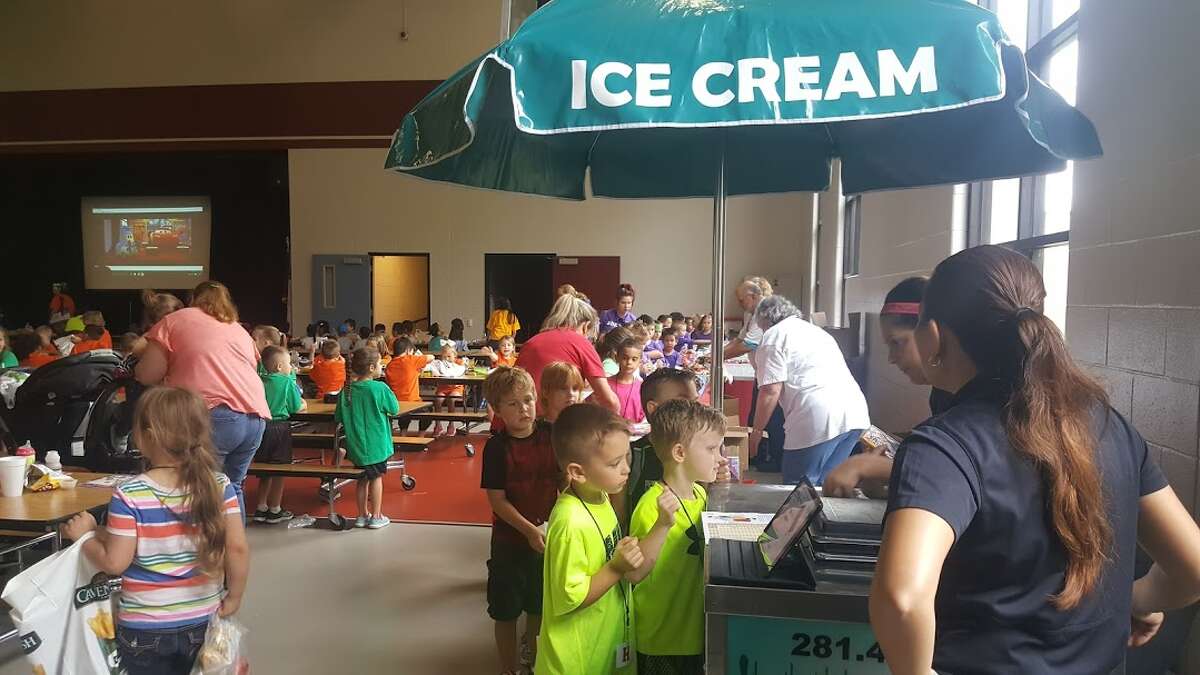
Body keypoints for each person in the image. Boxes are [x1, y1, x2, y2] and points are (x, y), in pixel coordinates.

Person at [869, 245, 1200, 675]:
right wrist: (1140, 599)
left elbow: (901, 597)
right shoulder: (1107, 424)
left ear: (932, 336)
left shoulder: (945, 444)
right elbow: (1191, 566)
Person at [60, 386, 249, 675]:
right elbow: (236, 548)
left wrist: (86, 535)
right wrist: (234, 595)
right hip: (203, 619)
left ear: (148, 436)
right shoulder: (219, 485)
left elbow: (114, 562)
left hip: (145, 628)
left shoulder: (130, 493)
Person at [135, 280, 272, 514]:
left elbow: (148, 374)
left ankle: (203, 549)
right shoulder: (237, 328)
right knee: (232, 487)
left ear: (193, 300)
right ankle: (234, 549)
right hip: (255, 417)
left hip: (216, 413)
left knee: (203, 488)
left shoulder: (175, 321)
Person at [535, 404, 647, 675]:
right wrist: (616, 567)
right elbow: (570, 596)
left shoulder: (600, 495)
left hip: (603, 644)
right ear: (578, 472)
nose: (626, 470)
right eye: (614, 463)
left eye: (626, 458)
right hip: (576, 660)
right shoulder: (570, 522)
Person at [825, 277, 950, 497]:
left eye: (897, 343)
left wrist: (867, 466)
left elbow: (955, 471)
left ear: (931, 333)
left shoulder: (979, 404)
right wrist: (881, 487)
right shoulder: (941, 394)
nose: (892, 358)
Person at [631, 399, 726, 674]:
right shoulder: (652, 506)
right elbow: (636, 572)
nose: (719, 457)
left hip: (692, 631)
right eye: (711, 449)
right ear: (680, 453)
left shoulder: (699, 494)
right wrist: (662, 525)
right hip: (662, 638)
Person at [480, 367, 560, 675]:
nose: (523, 408)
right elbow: (497, 500)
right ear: (497, 409)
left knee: (538, 603)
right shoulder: (497, 448)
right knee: (505, 609)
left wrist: (550, 525)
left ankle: (532, 654)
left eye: (528, 400)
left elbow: (563, 481)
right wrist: (529, 530)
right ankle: (507, 667)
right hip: (510, 542)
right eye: (512, 404)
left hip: (547, 536)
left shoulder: (550, 435)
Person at [750, 295, 869, 484]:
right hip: (854, 414)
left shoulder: (774, 336)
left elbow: (770, 391)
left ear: (765, 320)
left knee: (798, 491)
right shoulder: (815, 331)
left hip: (817, 418)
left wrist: (756, 432)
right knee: (828, 489)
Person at [615, 369, 701, 527]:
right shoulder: (630, 455)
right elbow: (619, 518)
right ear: (653, 408)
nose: (693, 411)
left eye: (695, 403)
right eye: (682, 403)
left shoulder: (699, 453)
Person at [516, 293, 619, 414]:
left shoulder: (531, 342)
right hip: (559, 422)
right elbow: (609, 401)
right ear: (586, 326)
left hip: (524, 420)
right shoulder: (580, 343)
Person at [722, 277, 785, 469]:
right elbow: (740, 339)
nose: (739, 303)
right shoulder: (750, 314)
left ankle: (773, 458)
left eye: (742, 299)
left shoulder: (764, 314)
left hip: (773, 375)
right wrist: (718, 354)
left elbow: (748, 344)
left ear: (754, 296)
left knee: (772, 420)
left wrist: (717, 358)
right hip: (762, 372)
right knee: (754, 415)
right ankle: (757, 455)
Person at [335, 345, 399, 530]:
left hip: (356, 445)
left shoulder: (346, 390)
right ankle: (377, 516)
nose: (381, 366)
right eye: (380, 363)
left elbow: (338, 416)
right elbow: (394, 409)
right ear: (372, 368)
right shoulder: (379, 388)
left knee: (361, 480)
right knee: (376, 478)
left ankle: (362, 515)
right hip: (376, 444)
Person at [254, 345, 306, 524]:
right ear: (279, 367)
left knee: (264, 470)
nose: (291, 367)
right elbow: (294, 406)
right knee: (279, 470)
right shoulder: (286, 382)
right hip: (280, 428)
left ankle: (261, 507)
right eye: (289, 364)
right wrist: (303, 405)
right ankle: (275, 508)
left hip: (262, 427)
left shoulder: (259, 381)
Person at [609, 338, 646, 424]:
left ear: (640, 362)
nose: (629, 362)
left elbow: (643, 416)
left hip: (634, 435)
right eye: (625, 358)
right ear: (617, 358)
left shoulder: (643, 387)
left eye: (634, 359)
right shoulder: (606, 385)